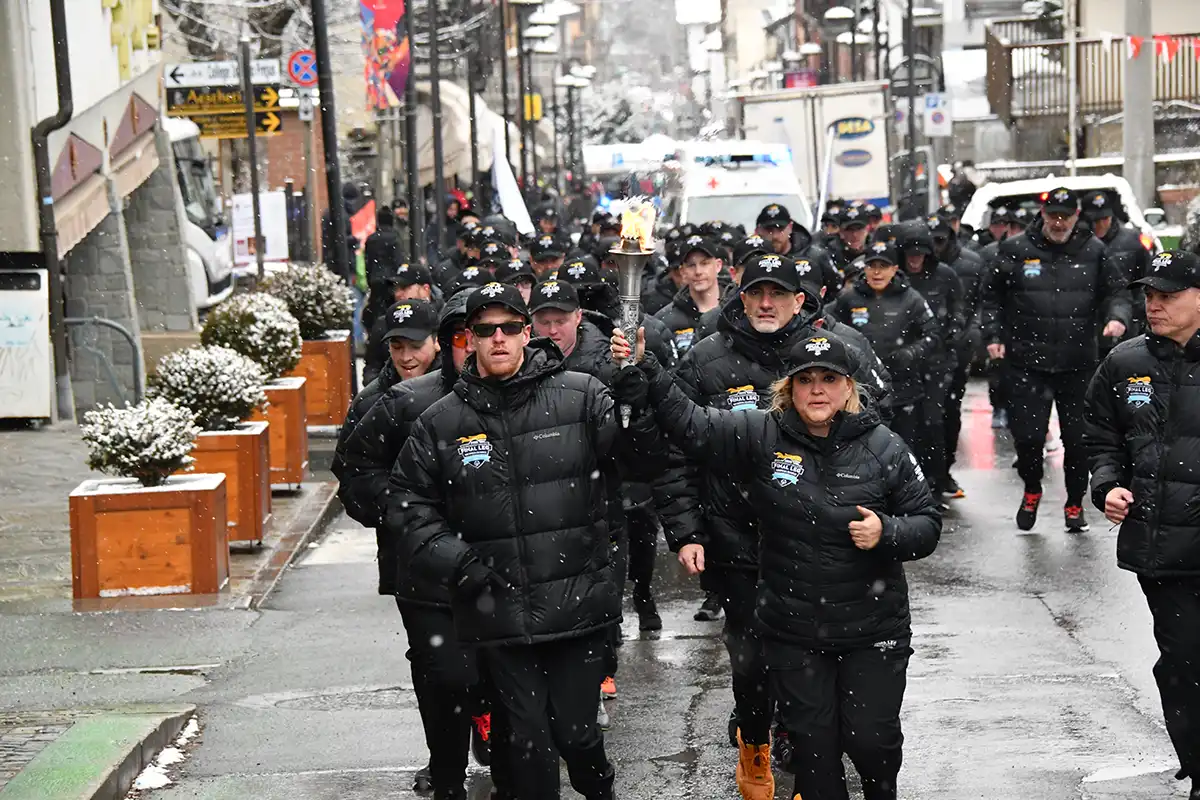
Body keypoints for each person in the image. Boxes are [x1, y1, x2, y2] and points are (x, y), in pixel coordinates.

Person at [610, 328, 940, 800]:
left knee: (872, 745)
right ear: (789, 389)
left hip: (873, 630)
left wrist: (887, 533)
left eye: (830, 379)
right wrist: (648, 366)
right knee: (814, 753)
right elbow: (692, 423)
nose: (818, 390)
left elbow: (926, 524)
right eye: (806, 380)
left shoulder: (884, 446)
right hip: (793, 629)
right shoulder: (762, 433)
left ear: (849, 387)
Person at [388, 283, 662, 800]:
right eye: (485, 330)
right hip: (497, 610)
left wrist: (640, 402)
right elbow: (406, 505)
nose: (498, 339)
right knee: (528, 741)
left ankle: (598, 789)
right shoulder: (440, 420)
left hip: (576, 604)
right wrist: (460, 564)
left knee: (577, 736)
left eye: (509, 328)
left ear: (526, 333)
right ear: (467, 340)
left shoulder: (582, 395)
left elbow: (642, 465)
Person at [651, 253, 894, 799]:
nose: (766, 304)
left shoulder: (841, 352)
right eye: (756, 292)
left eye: (778, 294)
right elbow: (677, 451)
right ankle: (755, 742)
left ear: (799, 300)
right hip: (739, 544)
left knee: (814, 656)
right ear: (738, 291)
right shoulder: (705, 357)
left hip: (819, 542)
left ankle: (808, 753)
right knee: (753, 658)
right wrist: (687, 530)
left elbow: (877, 431)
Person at [340, 290, 505, 799]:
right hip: (418, 566)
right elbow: (353, 475)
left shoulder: (498, 392)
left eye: (415, 345)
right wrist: (406, 508)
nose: (407, 356)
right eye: (396, 346)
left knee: (490, 668)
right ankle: (447, 769)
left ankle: (490, 731)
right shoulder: (386, 402)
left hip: (489, 561)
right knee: (442, 671)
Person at [1085, 250, 1200, 800]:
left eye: (1168, 295)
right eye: (1149, 295)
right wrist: (1107, 485)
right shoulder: (1124, 362)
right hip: (1161, 545)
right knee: (1183, 660)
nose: (1154, 306)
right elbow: (1101, 436)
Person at [981, 187, 1131, 532]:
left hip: (1078, 363)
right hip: (1025, 361)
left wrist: (1117, 317)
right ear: (1043, 215)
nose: (1059, 222)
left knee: (1078, 440)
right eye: (1053, 215)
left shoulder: (1095, 251)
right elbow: (990, 296)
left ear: (1077, 216)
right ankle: (1032, 488)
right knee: (1028, 438)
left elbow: (1117, 292)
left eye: (1066, 215)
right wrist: (992, 336)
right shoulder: (1015, 250)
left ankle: (1075, 502)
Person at [829, 242, 939, 457]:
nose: (877, 272)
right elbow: (828, 326)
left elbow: (933, 335)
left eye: (883, 266)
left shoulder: (912, 299)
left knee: (903, 450)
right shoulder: (849, 298)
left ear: (895, 269)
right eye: (872, 265)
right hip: (860, 390)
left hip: (903, 388)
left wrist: (911, 353)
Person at [897, 225, 965, 497]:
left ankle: (938, 477)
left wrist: (955, 330)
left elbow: (959, 308)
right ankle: (912, 481)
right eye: (910, 255)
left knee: (935, 420)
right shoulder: (898, 278)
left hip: (937, 361)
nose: (915, 260)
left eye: (920, 255)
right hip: (905, 362)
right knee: (907, 425)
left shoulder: (945, 276)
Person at [929, 213, 985, 498]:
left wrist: (971, 332)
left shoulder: (971, 264)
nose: (935, 247)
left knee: (950, 413)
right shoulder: (920, 266)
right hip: (926, 352)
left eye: (940, 240)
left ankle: (945, 471)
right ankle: (931, 474)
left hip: (958, 346)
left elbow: (980, 302)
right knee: (928, 417)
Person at [1083, 189, 1153, 347]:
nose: (1100, 224)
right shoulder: (1079, 244)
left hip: (1126, 321)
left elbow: (1145, 279)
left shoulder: (1131, 241)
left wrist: (1136, 315)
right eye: (1095, 220)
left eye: (1104, 219)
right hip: (1089, 325)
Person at [655, 236, 729, 357]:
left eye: (704, 263)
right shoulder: (665, 319)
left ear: (718, 265)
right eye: (691, 265)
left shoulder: (736, 310)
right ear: (682, 272)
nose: (698, 271)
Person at [362, 268, 437, 384]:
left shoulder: (445, 318)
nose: (397, 293)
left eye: (404, 288)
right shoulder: (384, 323)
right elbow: (372, 367)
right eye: (397, 347)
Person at [754, 203, 842, 298]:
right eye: (769, 230)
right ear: (759, 230)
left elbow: (837, 290)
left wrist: (817, 309)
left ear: (790, 227)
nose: (775, 236)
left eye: (780, 229)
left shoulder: (815, 256)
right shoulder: (754, 259)